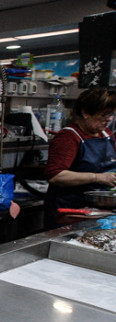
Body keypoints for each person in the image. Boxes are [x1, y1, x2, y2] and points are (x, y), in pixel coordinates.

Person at [44, 87, 116, 228]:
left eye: (111, 115)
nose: (108, 120)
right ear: (85, 113)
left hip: (97, 209)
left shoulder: (106, 134)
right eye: (103, 115)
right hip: (70, 211)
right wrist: (98, 177)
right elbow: (56, 175)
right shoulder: (69, 137)